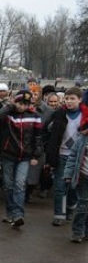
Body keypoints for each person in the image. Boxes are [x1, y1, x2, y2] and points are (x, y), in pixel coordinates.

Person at [0, 89, 43, 227]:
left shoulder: (34, 116)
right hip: (8, 154)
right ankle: (10, 212)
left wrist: (36, 154)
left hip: (25, 156)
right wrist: (10, 105)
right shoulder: (8, 114)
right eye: (20, 103)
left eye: (26, 104)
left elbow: (38, 137)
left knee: (20, 184)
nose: (22, 106)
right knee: (8, 185)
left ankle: (18, 214)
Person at [44, 87, 87, 225]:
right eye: (67, 98)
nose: (69, 102)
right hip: (61, 154)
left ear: (80, 99)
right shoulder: (59, 114)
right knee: (60, 186)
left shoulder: (85, 115)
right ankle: (59, 214)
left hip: (78, 157)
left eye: (72, 99)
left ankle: (70, 207)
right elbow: (48, 129)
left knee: (74, 187)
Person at [63, 131, 88, 242]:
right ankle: (77, 231)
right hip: (83, 176)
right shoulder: (82, 138)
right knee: (83, 204)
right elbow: (72, 156)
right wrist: (68, 174)